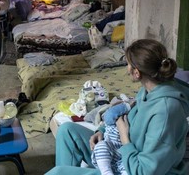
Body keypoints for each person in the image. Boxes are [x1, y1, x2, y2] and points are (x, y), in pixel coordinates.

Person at [46, 39, 189, 175]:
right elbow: (130, 116)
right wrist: (101, 130)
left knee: (57, 173)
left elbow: (144, 171)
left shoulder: (166, 112)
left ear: (137, 73)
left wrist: (124, 137)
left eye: (128, 64)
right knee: (67, 131)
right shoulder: (148, 89)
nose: (126, 68)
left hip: (133, 168)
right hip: (122, 154)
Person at [91, 100, 135, 175]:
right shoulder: (111, 120)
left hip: (126, 153)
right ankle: (106, 172)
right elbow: (109, 116)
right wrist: (100, 130)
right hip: (110, 148)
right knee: (101, 146)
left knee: (128, 166)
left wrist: (124, 136)